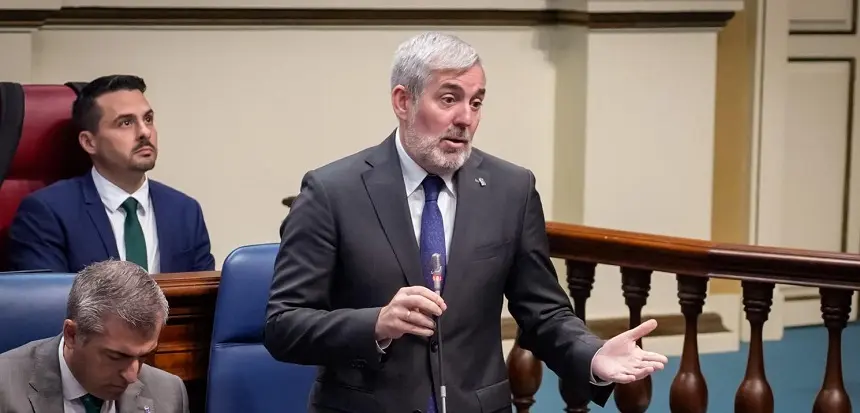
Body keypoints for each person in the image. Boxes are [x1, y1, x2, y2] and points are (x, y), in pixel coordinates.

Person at [264, 32, 669, 413]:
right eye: (449, 99)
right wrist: (376, 324)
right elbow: (284, 325)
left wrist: (593, 355)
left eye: (476, 103)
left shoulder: (511, 189)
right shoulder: (332, 191)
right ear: (403, 101)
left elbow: (543, 311)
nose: (465, 118)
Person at [5, 74, 215, 274]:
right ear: (89, 142)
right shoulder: (47, 213)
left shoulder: (185, 211)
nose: (145, 132)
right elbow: (45, 296)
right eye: (126, 122)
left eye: (148, 119)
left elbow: (205, 294)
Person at [0, 260, 189, 413]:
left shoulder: (168, 395)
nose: (132, 376)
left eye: (143, 357)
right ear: (72, 335)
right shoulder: (5, 391)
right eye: (116, 357)